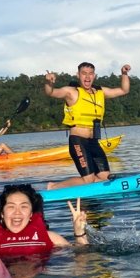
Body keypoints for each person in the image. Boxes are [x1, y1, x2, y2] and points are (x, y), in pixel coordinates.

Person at [43, 61, 131, 189]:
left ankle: (89, 190)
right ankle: (53, 186)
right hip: (78, 141)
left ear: (94, 76)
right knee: (88, 179)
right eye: (84, 74)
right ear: (78, 75)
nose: (87, 77)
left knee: (105, 178)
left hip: (93, 142)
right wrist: (49, 82)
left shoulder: (100, 92)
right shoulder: (71, 92)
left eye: (90, 74)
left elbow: (124, 90)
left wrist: (124, 74)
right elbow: (50, 92)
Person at [0, 183, 88, 258]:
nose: (17, 212)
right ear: (2, 214)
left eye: (24, 207)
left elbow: (82, 257)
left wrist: (79, 233)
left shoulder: (50, 237)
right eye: (11, 207)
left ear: (31, 214)